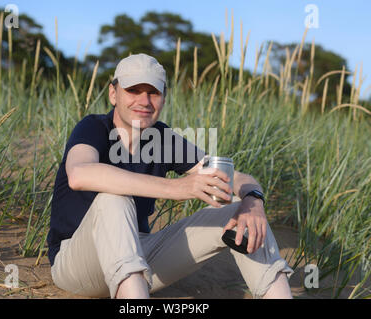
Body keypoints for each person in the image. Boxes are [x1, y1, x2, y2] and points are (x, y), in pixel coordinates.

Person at [46, 53, 293, 299]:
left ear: (164, 97)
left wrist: (254, 199)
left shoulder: (163, 139)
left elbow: (233, 177)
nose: (144, 101)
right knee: (114, 199)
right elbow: (79, 173)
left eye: (153, 92)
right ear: (114, 94)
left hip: (139, 255)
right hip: (77, 262)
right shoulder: (94, 127)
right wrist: (177, 188)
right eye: (133, 90)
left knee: (242, 211)